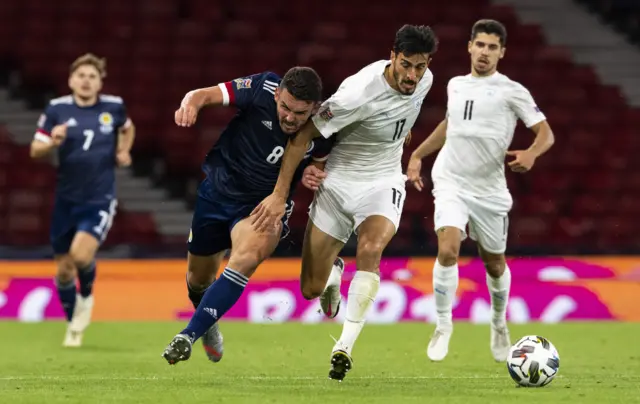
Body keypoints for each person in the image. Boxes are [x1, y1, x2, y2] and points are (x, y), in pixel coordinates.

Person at [251, 24, 439, 381]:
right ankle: (334, 273)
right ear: (392, 56)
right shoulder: (357, 95)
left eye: (421, 66)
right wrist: (280, 194)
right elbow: (304, 134)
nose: (413, 75)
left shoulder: (426, 81)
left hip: (382, 181)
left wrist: (403, 135)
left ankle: (344, 346)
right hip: (337, 185)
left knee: (371, 248)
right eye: (406, 65)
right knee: (310, 289)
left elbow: (403, 117)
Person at [161, 67, 333, 365]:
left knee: (247, 256)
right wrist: (190, 104)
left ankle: (187, 335)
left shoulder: (327, 125)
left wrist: (311, 173)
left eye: (300, 113)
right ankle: (208, 322)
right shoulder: (261, 87)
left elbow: (317, 163)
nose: (291, 118)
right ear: (278, 94)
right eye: (285, 108)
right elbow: (204, 94)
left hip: (262, 207)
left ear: (315, 108)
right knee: (198, 281)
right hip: (216, 193)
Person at [406, 19, 555, 362]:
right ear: (469, 47)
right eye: (480, 45)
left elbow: (545, 134)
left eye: (492, 47)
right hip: (451, 181)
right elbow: (450, 124)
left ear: (502, 52)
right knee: (448, 250)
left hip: (489, 191)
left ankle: (499, 323)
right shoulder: (456, 85)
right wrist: (417, 155)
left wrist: (531, 153)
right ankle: (443, 324)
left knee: (495, 264)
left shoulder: (512, 91)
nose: (485, 52)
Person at [30, 53, 135, 347]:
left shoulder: (113, 106)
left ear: (100, 81)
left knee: (80, 256)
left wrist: (124, 151)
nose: (86, 81)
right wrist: (52, 141)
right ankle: (73, 321)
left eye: (92, 76)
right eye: (81, 76)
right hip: (66, 200)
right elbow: (34, 149)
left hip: (99, 198)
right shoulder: (57, 109)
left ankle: (86, 297)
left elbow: (128, 128)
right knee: (63, 270)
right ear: (70, 80)